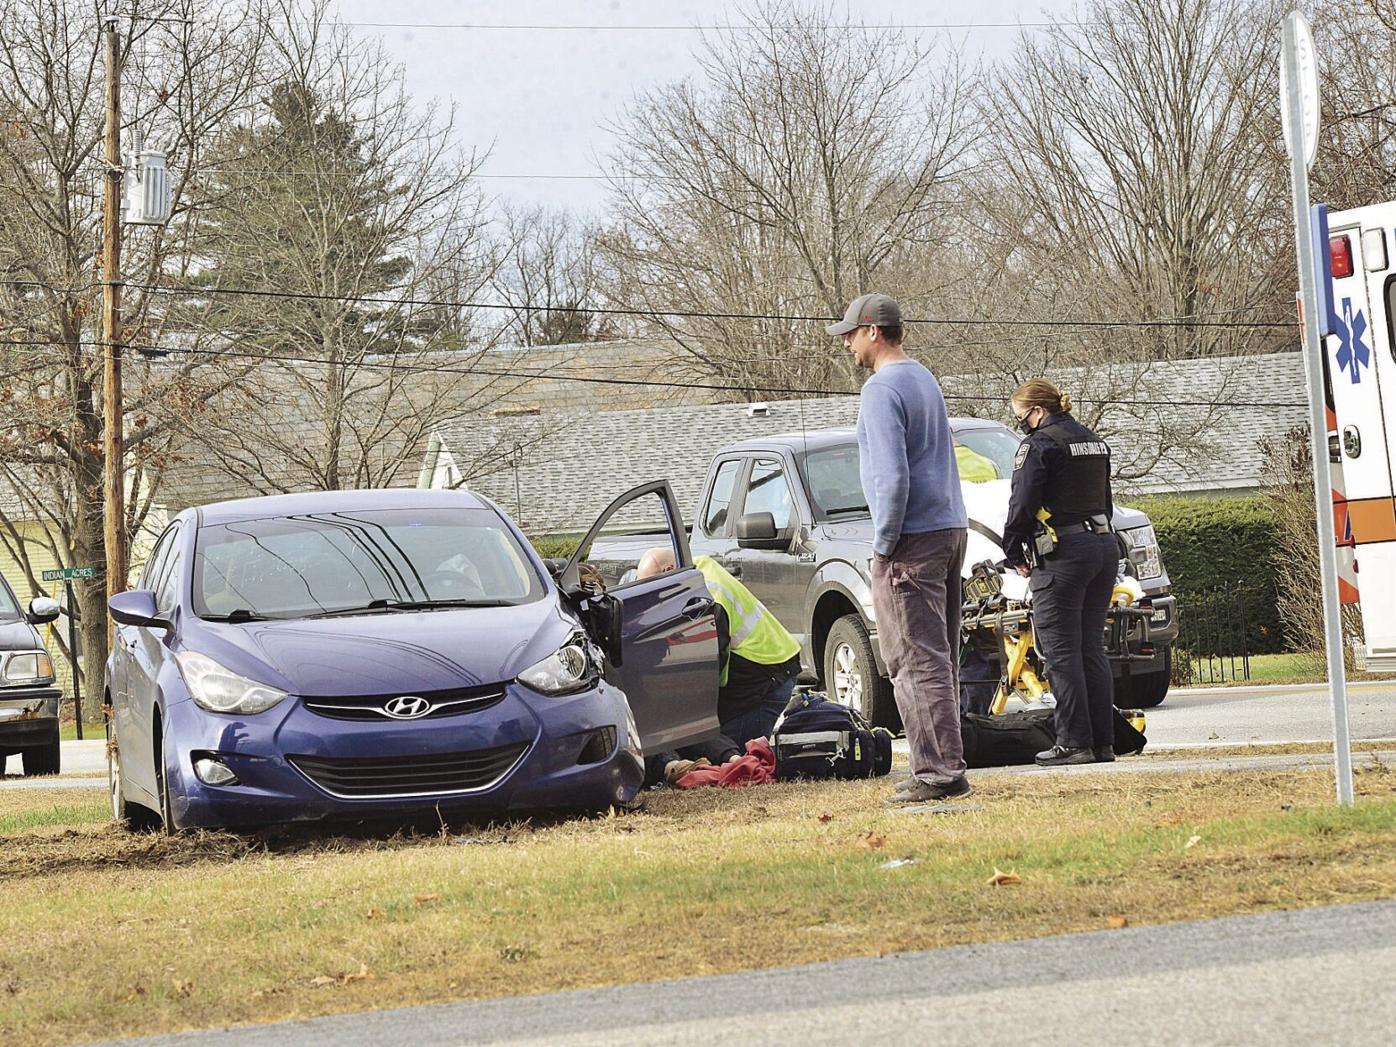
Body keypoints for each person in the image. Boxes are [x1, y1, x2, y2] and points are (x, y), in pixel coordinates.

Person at [827, 292, 971, 804]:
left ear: (874, 332)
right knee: (939, 655)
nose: (845, 343)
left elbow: (892, 476)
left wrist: (883, 546)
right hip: (949, 530)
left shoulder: (880, 389)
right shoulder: (924, 377)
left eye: (850, 333)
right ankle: (947, 763)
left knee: (913, 659)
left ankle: (938, 773)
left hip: (910, 540)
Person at [1001, 378, 1118, 766]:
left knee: (1061, 652)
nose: (1022, 425)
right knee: (1090, 649)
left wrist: (1012, 547)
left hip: (1064, 555)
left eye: (1021, 418)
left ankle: (1073, 742)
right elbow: (1106, 501)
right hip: (1103, 547)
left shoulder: (1040, 445)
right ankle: (1103, 742)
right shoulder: (1094, 442)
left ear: (1037, 411)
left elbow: (1022, 501)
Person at [636, 547, 802, 746]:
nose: (655, 595)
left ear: (668, 569)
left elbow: (711, 663)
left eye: (653, 587)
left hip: (768, 677)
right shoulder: (694, 569)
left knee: (718, 751)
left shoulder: (708, 595)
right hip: (766, 667)